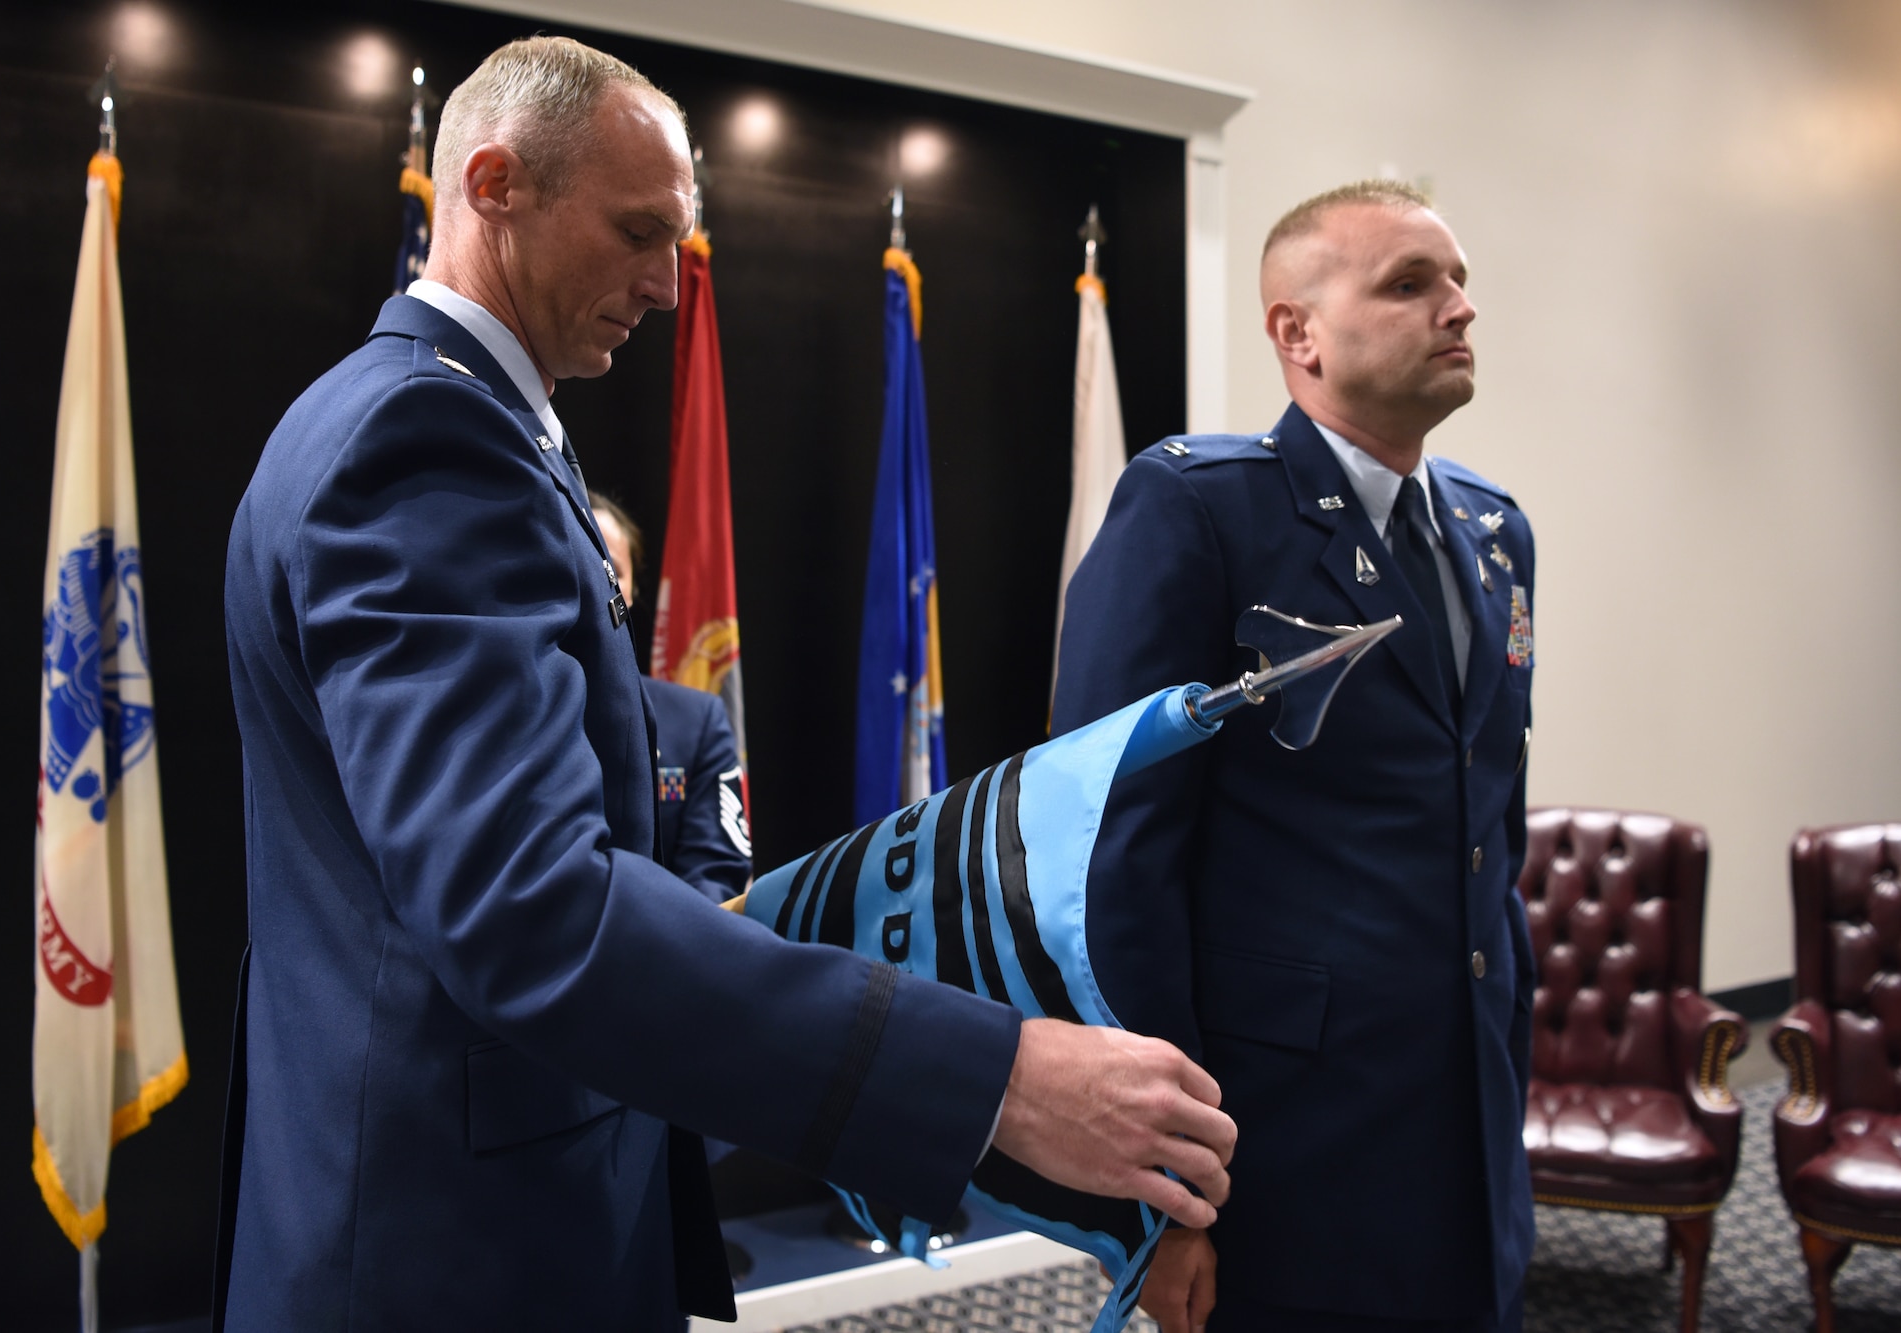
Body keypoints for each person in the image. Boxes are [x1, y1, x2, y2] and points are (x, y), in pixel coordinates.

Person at [219, 35, 1235, 1330]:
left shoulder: (420, 418)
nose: (665, 284)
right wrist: (995, 1074)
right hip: (449, 1251)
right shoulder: (429, 441)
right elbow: (527, 906)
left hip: (468, 1199)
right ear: (493, 186)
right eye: (640, 233)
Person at [1051, 180, 1536, 1333]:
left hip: (1464, 1106)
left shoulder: (1492, 526)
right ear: (1296, 333)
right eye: (1410, 284)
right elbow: (1110, 856)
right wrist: (1163, 1195)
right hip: (1278, 1135)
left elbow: (1486, 824)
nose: (1458, 308)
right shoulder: (1199, 507)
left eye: (1458, 280)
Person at [588, 489, 751, 904]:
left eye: (612, 568)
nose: (594, 576)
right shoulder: (507, 707)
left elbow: (717, 878)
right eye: (583, 558)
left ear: (632, 591)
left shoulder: (696, 722)